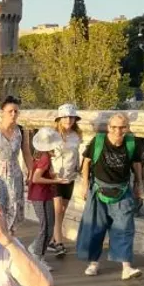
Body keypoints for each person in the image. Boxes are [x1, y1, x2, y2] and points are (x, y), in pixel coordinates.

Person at [75, 113, 144, 280]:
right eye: (114, 127)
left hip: (122, 190)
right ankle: (93, 263)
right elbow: (86, 162)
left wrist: (139, 184)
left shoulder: (131, 143)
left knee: (125, 228)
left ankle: (126, 267)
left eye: (122, 127)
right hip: (99, 190)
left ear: (127, 128)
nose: (118, 131)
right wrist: (84, 184)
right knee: (94, 228)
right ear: (108, 127)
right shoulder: (98, 141)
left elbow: (136, 164)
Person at [0, 96, 33, 235]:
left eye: (16, 111)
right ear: (2, 112)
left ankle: (10, 241)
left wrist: (31, 172)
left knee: (13, 209)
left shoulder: (21, 130)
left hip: (14, 175)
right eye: (10, 111)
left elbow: (26, 152)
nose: (13, 114)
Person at [28, 129, 68, 269]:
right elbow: (36, 178)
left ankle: (37, 251)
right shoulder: (45, 158)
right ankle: (37, 255)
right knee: (45, 227)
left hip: (44, 195)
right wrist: (55, 181)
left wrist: (53, 176)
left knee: (49, 226)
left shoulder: (41, 156)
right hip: (40, 196)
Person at [50, 104, 83, 257]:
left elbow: (76, 155)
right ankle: (59, 242)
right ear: (59, 119)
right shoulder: (52, 135)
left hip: (70, 177)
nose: (68, 120)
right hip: (55, 177)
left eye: (71, 117)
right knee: (57, 210)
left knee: (62, 210)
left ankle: (52, 238)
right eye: (65, 117)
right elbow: (44, 154)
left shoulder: (76, 136)